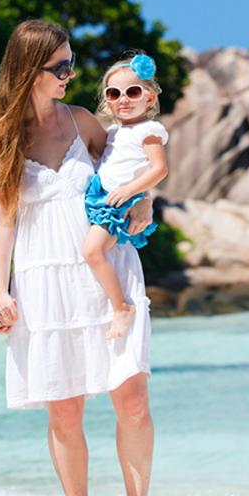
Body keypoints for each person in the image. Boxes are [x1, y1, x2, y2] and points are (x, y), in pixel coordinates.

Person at [0, 19, 173, 496]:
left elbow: (127, 167)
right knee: (64, 410)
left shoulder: (85, 121)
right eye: (59, 67)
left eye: (71, 64)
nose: (70, 74)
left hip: (107, 270)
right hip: (42, 278)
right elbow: (0, 222)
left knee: (132, 399)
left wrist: (147, 199)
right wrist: (0, 292)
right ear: (28, 71)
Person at [82, 53, 169, 340]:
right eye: (114, 93)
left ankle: (121, 307)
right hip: (104, 197)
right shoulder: (112, 133)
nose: (123, 99)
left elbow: (159, 169)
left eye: (133, 91)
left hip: (121, 201)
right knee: (92, 251)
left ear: (151, 98)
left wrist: (133, 192)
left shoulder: (149, 131)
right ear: (106, 100)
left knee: (92, 251)